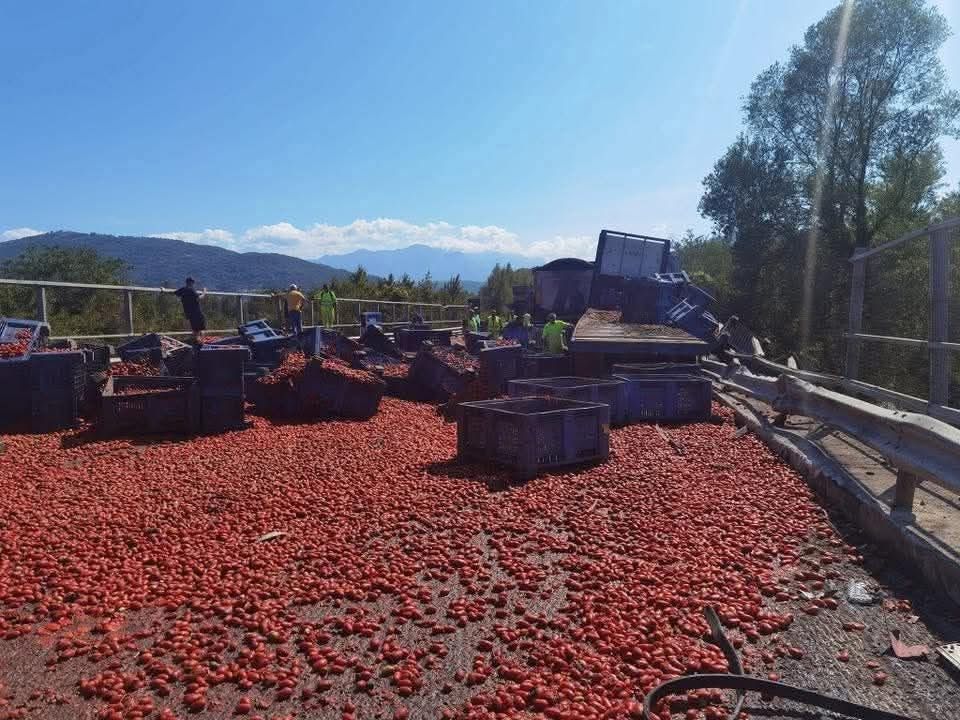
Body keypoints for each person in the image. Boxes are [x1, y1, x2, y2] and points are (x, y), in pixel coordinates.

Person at [164, 277, 206, 342]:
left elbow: (173, 293)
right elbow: (199, 298)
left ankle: (197, 342)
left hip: (189, 313)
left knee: (195, 329)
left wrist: (163, 290)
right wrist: (204, 292)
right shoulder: (191, 290)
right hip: (196, 312)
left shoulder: (183, 289)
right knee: (200, 329)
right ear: (191, 283)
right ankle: (201, 343)